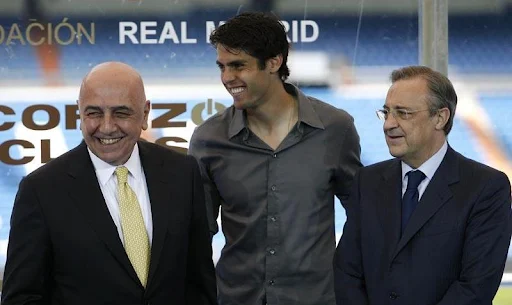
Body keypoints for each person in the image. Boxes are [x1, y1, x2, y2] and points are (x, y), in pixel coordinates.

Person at [1, 62, 217, 305]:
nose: (106, 127)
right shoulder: (41, 190)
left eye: (121, 113)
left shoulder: (183, 173)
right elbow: (21, 298)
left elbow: (200, 284)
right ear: (79, 114)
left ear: (145, 115)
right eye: (93, 113)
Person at [188, 12, 362, 305]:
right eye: (222, 67)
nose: (227, 78)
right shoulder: (209, 139)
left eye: (238, 66)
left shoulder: (335, 128)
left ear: (274, 62)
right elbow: (196, 236)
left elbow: (363, 218)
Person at [334, 65, 512, 305]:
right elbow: (347, 273)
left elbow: (476, 287)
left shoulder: (486, 187)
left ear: (440, 117)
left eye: (403, 113)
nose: (388, 124)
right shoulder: (367, 182)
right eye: (386, 112)